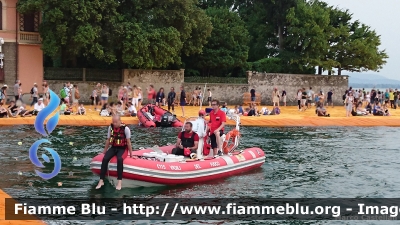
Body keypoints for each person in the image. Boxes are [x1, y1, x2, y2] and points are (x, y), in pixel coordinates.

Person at [96, 115, 135, 190]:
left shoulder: (126, 129)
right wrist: (104, 152)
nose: (114, 123)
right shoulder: (110, 128)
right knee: (105, 158)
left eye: (116, 122)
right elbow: (108, 140)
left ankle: (119, 181)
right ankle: (101, 180)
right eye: (113, 122)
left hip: (123, 149)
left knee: (119, 159)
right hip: (114, 147)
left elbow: (129, 142)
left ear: (120, 121)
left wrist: (131, 154)